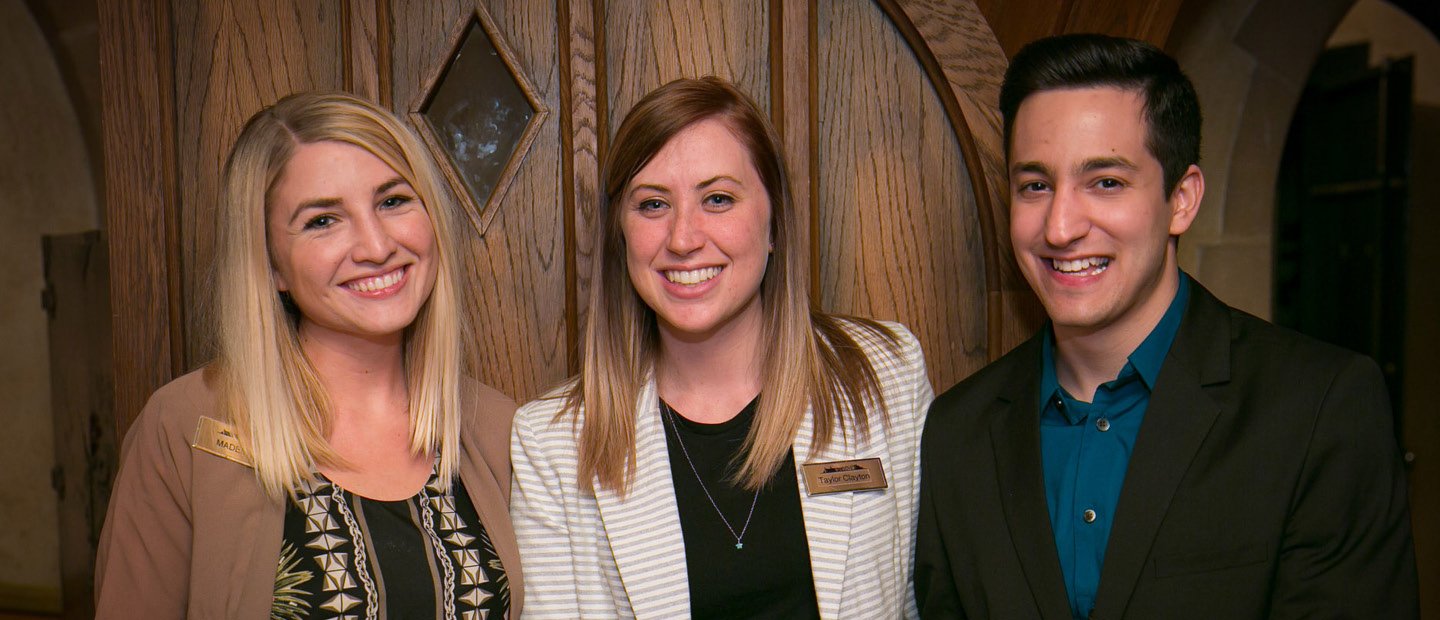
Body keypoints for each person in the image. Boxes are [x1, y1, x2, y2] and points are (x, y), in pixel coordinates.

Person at [914, 33, 1418, 619]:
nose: (1059, 227)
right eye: (1036, 186)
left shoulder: (1318, 410)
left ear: (1182, 199)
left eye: (1105, 182)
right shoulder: (958, 433)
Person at [511, 76, 933, 618]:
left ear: (774, 219)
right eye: (653, 204)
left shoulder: (886, 374)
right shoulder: (553, 443)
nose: (684, 238)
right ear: (620, 234)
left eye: (718, 199)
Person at [95, 91, 522, 618]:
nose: (375, 246)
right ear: (271, 263)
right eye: (322, 220)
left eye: (393, 201)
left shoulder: (500, 431)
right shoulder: (186, 427)